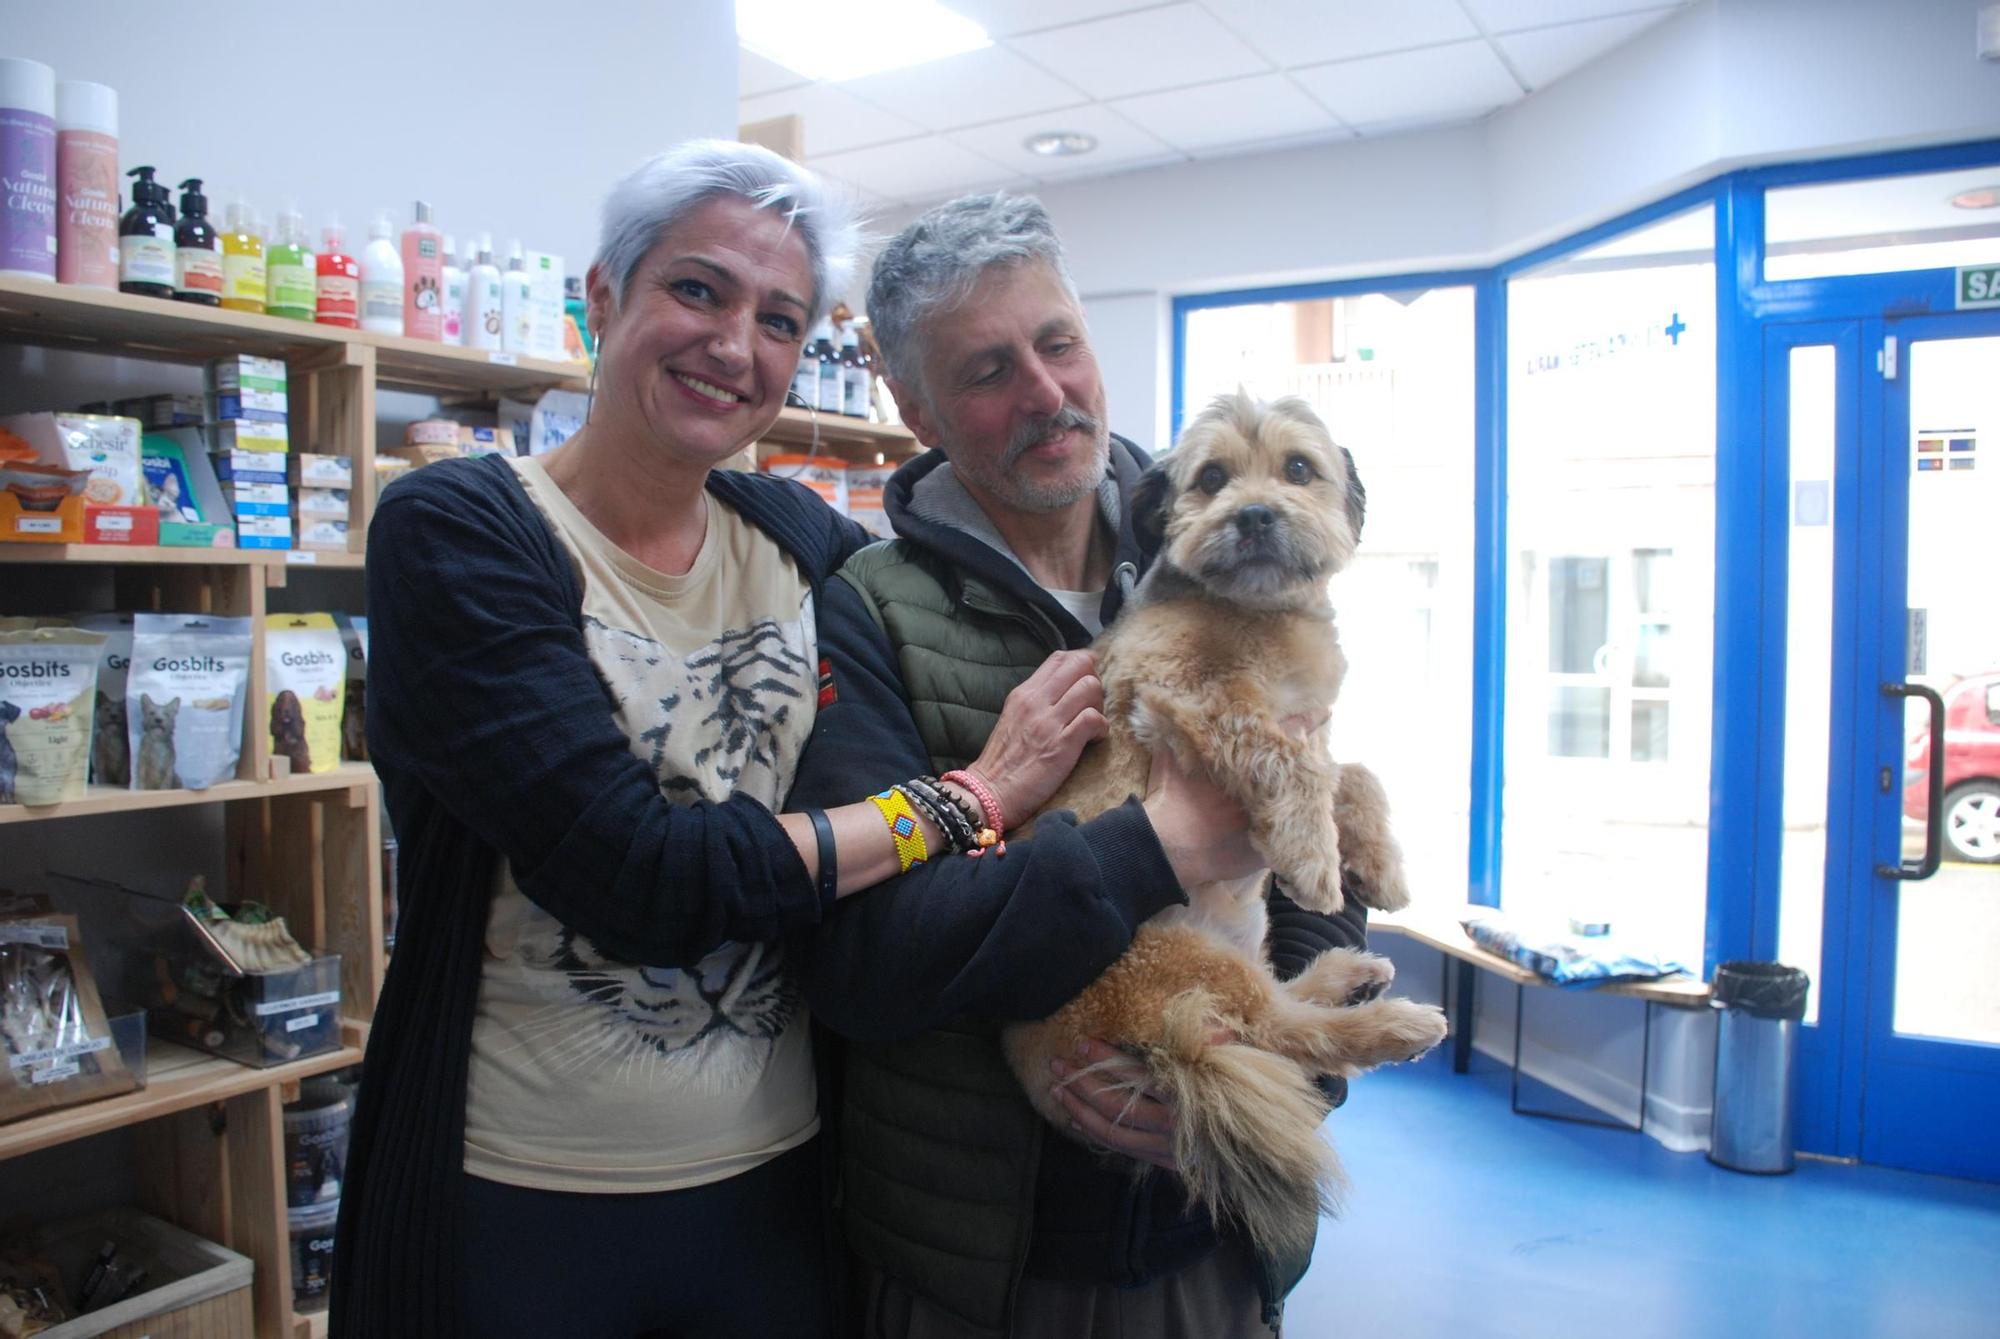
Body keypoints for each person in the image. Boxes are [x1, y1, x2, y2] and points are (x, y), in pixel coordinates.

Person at [331, 144, 1110, 1339]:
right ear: (603, 296)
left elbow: (994, 565)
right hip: (522, 1199)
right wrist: (961, 801)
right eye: (697, 290)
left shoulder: (802, 542)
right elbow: (638, 875)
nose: (735, 344)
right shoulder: (460, 531)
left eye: (779, 319)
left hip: (777, 1188)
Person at [788, 194, 1373, 1339]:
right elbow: (864, 964)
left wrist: (1295, 1062)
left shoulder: (1225, 545)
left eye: (1058, 343)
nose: (1047, 392)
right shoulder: (865, 614)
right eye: (988, 369)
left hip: (1215, 1237)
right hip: (986, 1259)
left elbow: (1315, 822)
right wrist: (1156, 843)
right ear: (914, 408)